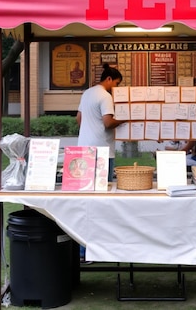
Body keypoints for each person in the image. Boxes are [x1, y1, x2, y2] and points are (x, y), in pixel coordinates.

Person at [76, 63, 126, 263]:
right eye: (116, 83)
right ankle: (98, 249)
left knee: (86, 201)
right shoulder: (106, 97)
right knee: (101, 202)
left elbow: (79, 119)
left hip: (84, 151)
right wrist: (124, 120)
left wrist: (89, 130)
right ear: (109, 79)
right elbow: (108, 123)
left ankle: (83, 250)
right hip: (102, 153)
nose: (116, 88)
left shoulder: (87, 93)